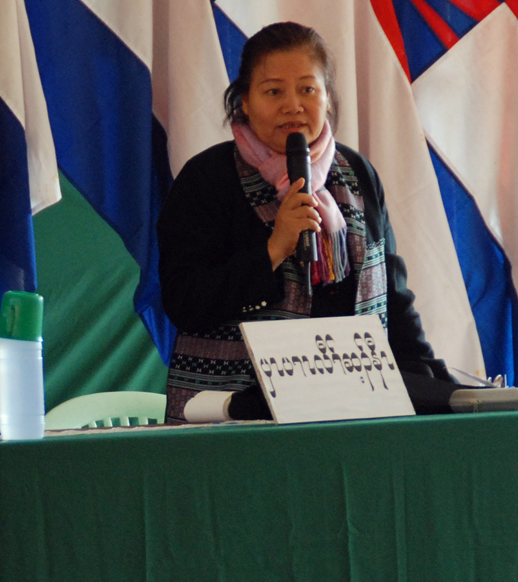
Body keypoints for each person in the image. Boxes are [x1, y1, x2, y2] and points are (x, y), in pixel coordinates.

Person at [157, 22, 458, 422]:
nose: (293, 105)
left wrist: (442, 392)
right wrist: (273, 248)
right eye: (273, 91)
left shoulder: (357, 173)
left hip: (351, 409)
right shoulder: (208, 178)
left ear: (328, 97)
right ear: (244, 101)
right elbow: (184, 302)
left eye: (307, 89)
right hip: (233, 414)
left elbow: (393, 300)